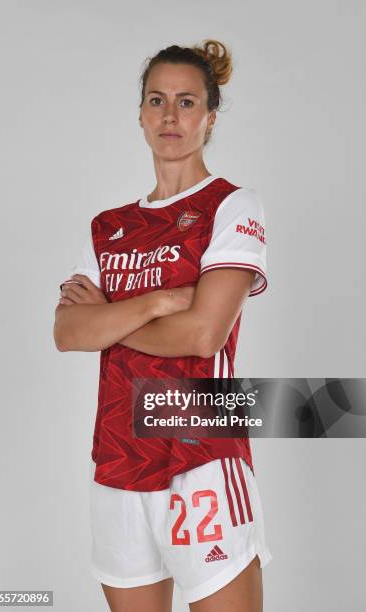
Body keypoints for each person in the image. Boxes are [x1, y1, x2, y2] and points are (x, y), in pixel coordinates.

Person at [54, 40, 272, 612]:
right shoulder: (109, 227)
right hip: (119, 456)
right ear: (141, 114)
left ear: (210, 116)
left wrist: (106, 318)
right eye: (157, 100)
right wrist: (155, 304)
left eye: (186, 101)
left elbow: (204, 334)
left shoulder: (232, 205)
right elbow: (67, 333)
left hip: (200, 451)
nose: (170, 116)